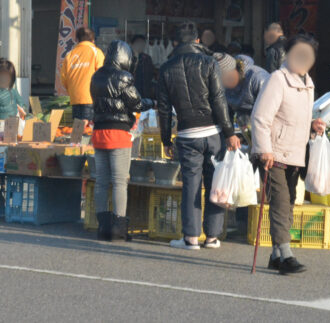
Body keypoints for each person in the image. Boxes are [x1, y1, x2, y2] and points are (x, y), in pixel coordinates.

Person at [156, 23, 240, 250]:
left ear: (175, 43)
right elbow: (219, 100)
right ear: (196, 41)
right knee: (216, 184)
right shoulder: (209, 63)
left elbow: (163, 109)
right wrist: (230, 132)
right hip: (213, 133)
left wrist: (166, 139)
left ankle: (191, 238)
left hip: (186, 134)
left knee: (191, 185)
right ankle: (212, 237)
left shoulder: (165, 69)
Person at [250, 35, 325, 275]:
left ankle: (275, 255)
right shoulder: (277, 80)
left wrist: (312, 125)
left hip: (296, 153)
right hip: (275, 152)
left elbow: (296, 116)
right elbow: (260, 117)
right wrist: (264, 150)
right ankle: (286, 254)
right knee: (281, 203)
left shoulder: (308, 83)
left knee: (289, 202)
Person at [91, 40, 152, 241]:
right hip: (118, 134)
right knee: (119, 182)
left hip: (99, 133)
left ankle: (103, 228)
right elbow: (136, 103)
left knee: (101, 182)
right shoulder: (124, 77)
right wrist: (154, 102)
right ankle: (119, 228)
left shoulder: (96, 76)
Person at [213, 52, 270, 130]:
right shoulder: (223, 85)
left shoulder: (258, 77)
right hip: (245, 126)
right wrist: (230, 134)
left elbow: (268, 111)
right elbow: (226, 111)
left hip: (265, 125)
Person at [59, 27, 104, 122]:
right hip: (91, 98)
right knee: (88, 131)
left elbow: (63, 78)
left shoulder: (70, 55)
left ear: (77, 40)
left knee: (78, 131)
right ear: (93, 40)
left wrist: (73, 90)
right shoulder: (96, 52)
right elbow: (102, 75)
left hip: (75, 98)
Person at [129, 35, 156, 99]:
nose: (140, 46)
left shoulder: (147, 58)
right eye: (138, 43)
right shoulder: (127, 58)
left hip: (145, 93)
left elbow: (151, 75)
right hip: (131, 92)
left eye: (142, 44)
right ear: (132, 44)